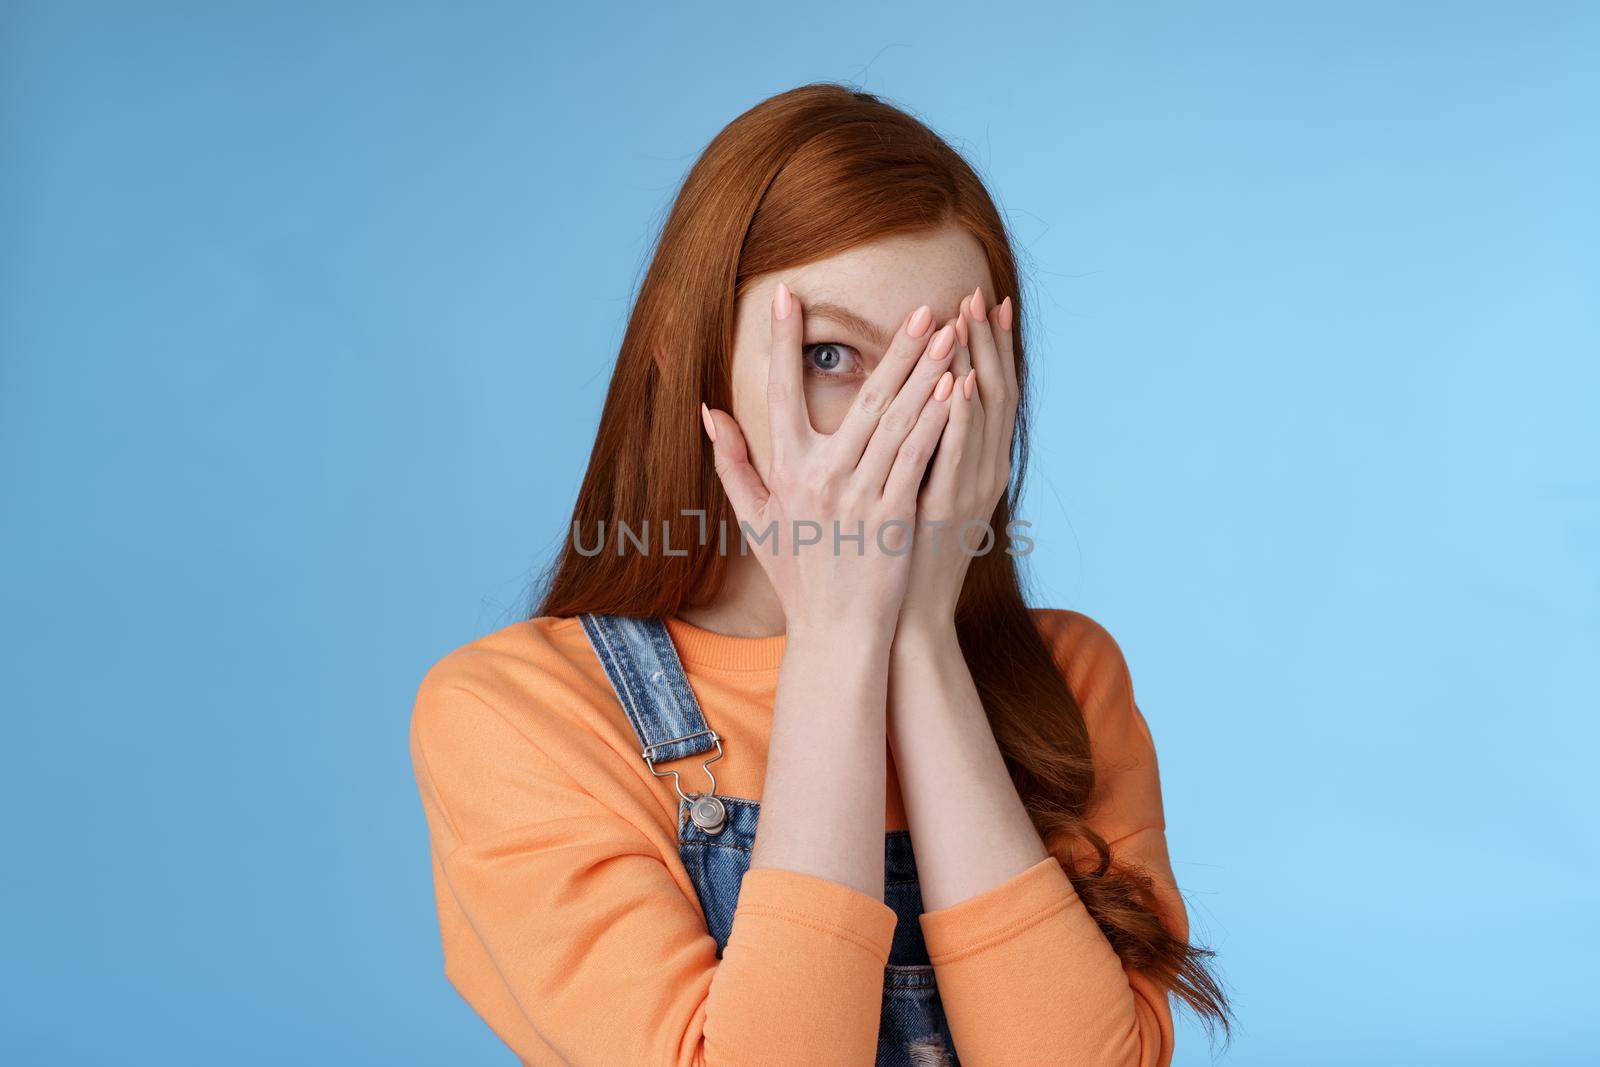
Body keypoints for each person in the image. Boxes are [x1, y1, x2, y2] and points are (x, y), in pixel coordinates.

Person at [409, 82, 1229, 1066]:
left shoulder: (1068, 677)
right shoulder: (516, 713)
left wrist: (918, 639)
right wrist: (840, 639)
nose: (894, 421)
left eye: (942, 366)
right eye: (831, 353)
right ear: (685, 352)